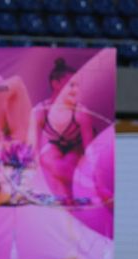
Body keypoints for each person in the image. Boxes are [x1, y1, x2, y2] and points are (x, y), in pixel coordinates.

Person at [30, 58, 97, 199]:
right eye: (71, 85)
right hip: (57, 145)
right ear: (56, 84)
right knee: (45, 160)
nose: (76, 90)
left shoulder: (81, 113)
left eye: (77, 85)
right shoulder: (40, 111)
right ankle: (68, 201)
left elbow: (89, 151)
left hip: (79, 145)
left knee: (68, 163)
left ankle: (86, 189)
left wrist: (90, 170)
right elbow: (33, 148)